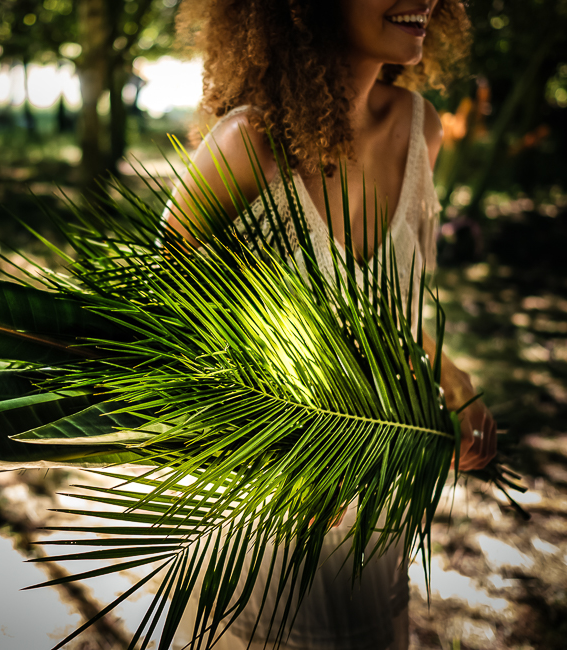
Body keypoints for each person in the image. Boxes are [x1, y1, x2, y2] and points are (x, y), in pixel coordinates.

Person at [164, 1, 499, 648]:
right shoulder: (247, 144)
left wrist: (454, 383)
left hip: (370, 517)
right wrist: (279, 447)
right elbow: (159, 333)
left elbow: (389, 311)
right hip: (256, 522)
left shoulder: (420, 128)